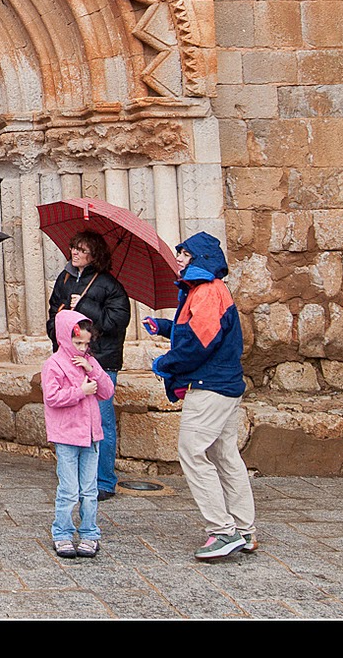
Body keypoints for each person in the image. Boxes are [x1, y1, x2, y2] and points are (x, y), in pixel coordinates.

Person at [143, 231, 257, 560]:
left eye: (185, 254)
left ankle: (222, 531)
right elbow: (196, 329)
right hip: (225, 385)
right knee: (224, 455)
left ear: (200, 259)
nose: (179, 258)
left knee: (192, 453)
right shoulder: (206, 291)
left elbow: (198, 342)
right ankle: (244, 529)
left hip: (210, 386)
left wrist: (165, 363)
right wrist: (164, 327)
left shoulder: (207, 291)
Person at [45, 230, 131, 499]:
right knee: (74, 419)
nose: (75, 253)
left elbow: (115, 322)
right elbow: (54, 312)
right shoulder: (66, 278)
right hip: (68, 363)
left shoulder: (110, 285)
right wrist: (56, 330)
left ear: (95, 254)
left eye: (82, 250)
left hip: (100, 361)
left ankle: (104, 481)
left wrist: (85, 308)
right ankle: (79, 478)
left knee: (101, 422)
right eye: (74, 248)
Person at [42, 310, 115, 559]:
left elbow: (106, 390)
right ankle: (62, 532)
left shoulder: (90, 362)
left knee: (89, 489)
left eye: (86, 343)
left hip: (91, 436)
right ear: (65, 338)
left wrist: (92, 371)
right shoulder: (53, 365)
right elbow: (52, 397)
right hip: (67, 436)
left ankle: (89, 532)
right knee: (69, 489)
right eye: (78, 343)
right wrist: (80, 391)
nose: (83, 348)